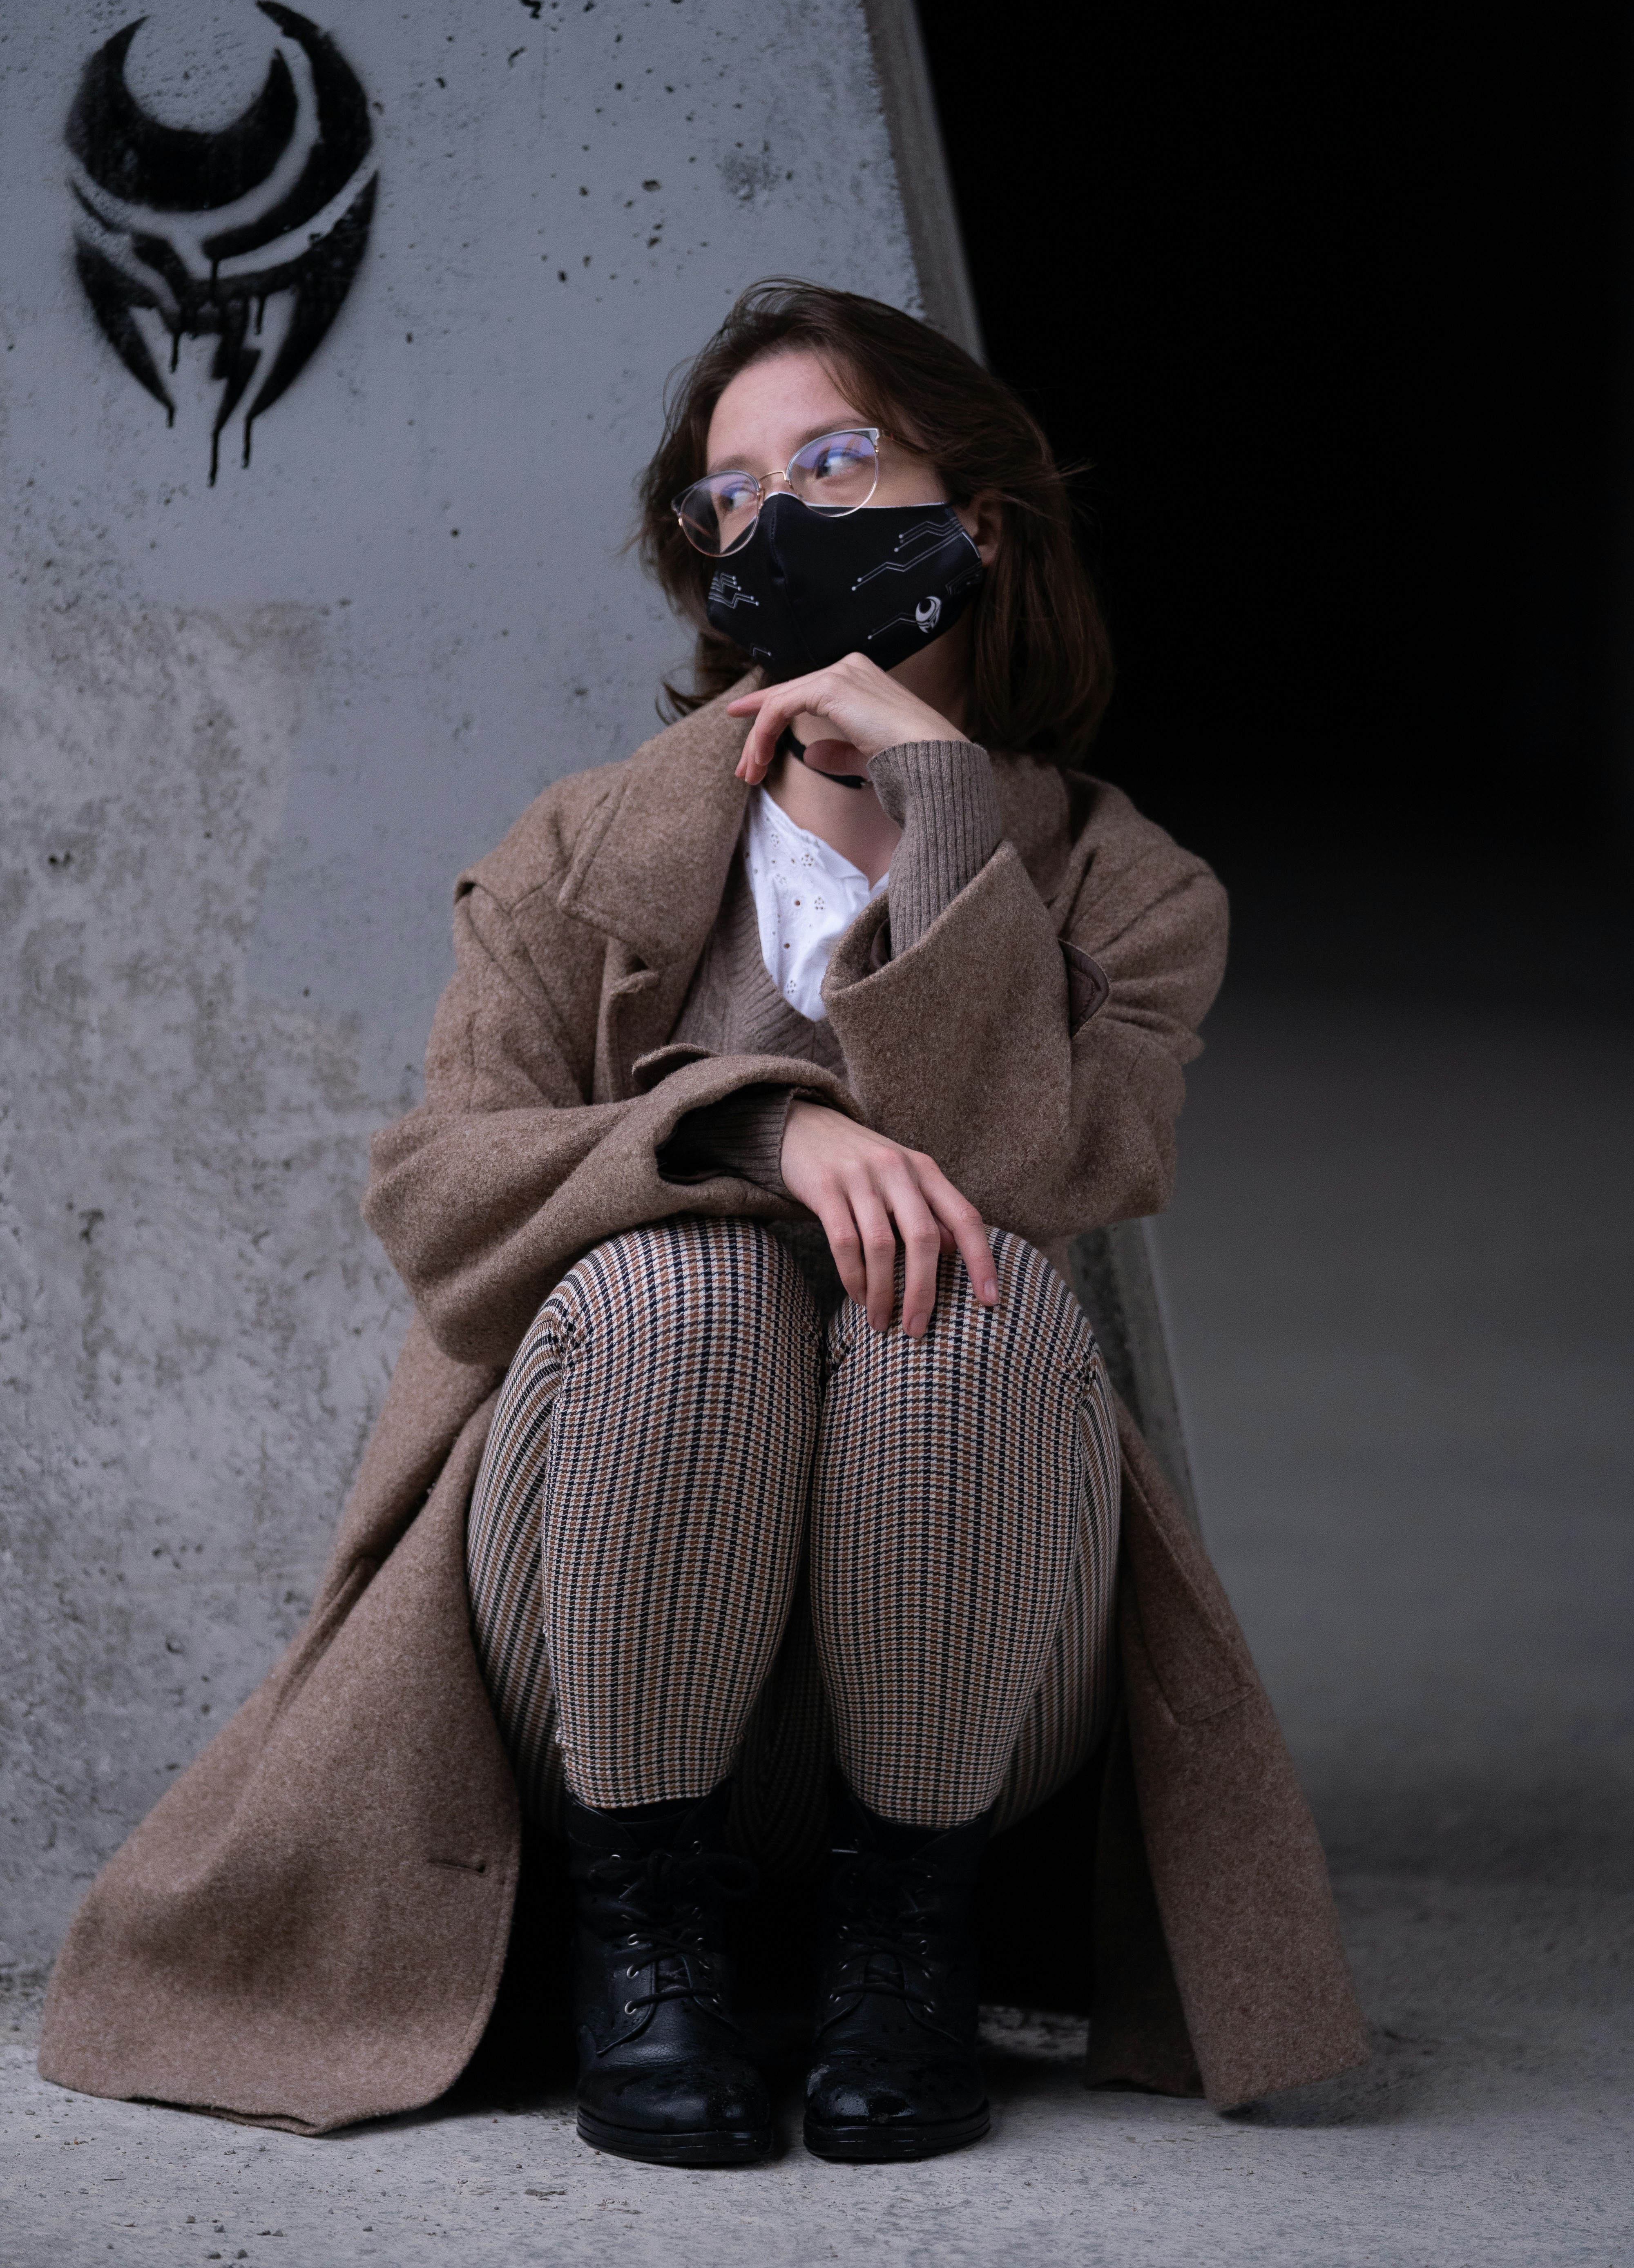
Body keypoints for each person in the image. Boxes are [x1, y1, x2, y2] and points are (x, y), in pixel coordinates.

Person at [39, 281, 1369, 2160]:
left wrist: (934, 816)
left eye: (837, 462)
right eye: (733, 495)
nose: (783, 522)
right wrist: (752, 1126)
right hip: (591, 1640)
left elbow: (1045, 1171)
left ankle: (906, 1955)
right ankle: (638, 1944)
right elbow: (436, 1190)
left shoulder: (1132, 895)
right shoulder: (585, 850)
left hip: (964, 1650)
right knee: (678, 1296)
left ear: (969, 521)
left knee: (967, 1300)